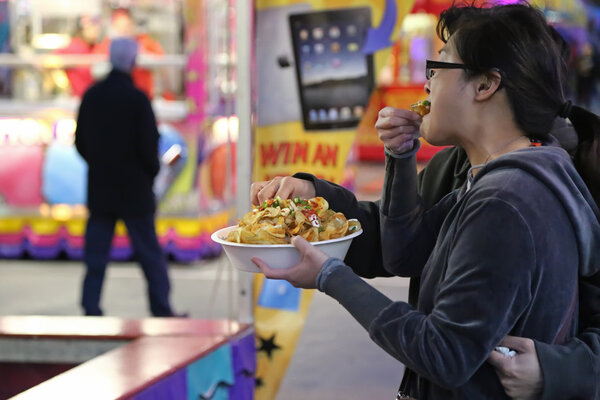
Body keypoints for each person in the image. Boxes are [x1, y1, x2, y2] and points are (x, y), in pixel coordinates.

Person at [250, 4, 600, 399]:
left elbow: (445, 353)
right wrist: (391, 161)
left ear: (485, 85)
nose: (427, 81)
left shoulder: (504, 201)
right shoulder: (492, 176)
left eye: (440, 64)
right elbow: (403, 250)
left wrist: (330, 276)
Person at [75, 38, 179, 317]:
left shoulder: (92, 95)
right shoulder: (137, 99)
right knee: (149, 257)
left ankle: (90, 309)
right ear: (133, 61)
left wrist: (100, 166)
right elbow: (149, 146)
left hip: (101, 189)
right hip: (135, 191)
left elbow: (80, 142)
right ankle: (162, 311)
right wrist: (150, 175)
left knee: (95, 257)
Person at [55, 15, 101, 97]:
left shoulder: (95, 47)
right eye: (91, 28)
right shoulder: (74, 46)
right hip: (78, 98)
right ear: (82, 30)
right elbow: (50, 61)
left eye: (96, 28)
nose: (95, 31)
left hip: (93, 96)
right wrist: (64, 84)